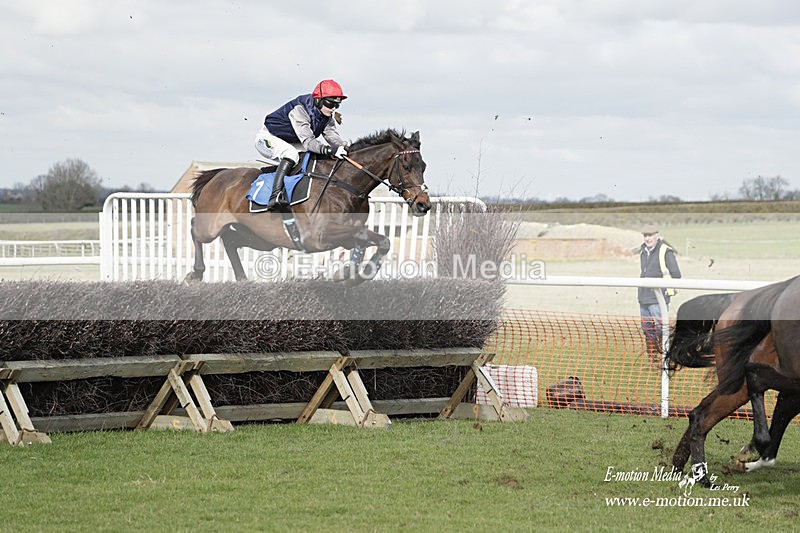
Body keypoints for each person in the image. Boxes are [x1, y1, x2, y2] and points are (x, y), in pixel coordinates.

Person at [254, 79, 349, 210]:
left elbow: (331, 135)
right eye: (330, 104)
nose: (333, 109)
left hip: (291, 141)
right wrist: (329, 150)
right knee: (291, 154)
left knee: (311, 156)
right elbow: (308, 142)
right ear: (318, 100)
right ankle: (275, 195)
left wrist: (342, 146)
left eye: (336, 106)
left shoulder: (326, 116)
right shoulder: (300, 110)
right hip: (268, 138)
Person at [638, 224, 681, 363]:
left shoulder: (665, 251)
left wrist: (665, 288)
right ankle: (652, 361)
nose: (647, 238)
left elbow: (676, 274)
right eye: (645, 235)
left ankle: (665, 359)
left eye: (650, 235)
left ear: (657, 235)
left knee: (661, 330)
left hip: (659, 299)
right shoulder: (643, 251)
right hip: (644, 298)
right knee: (647, 330)